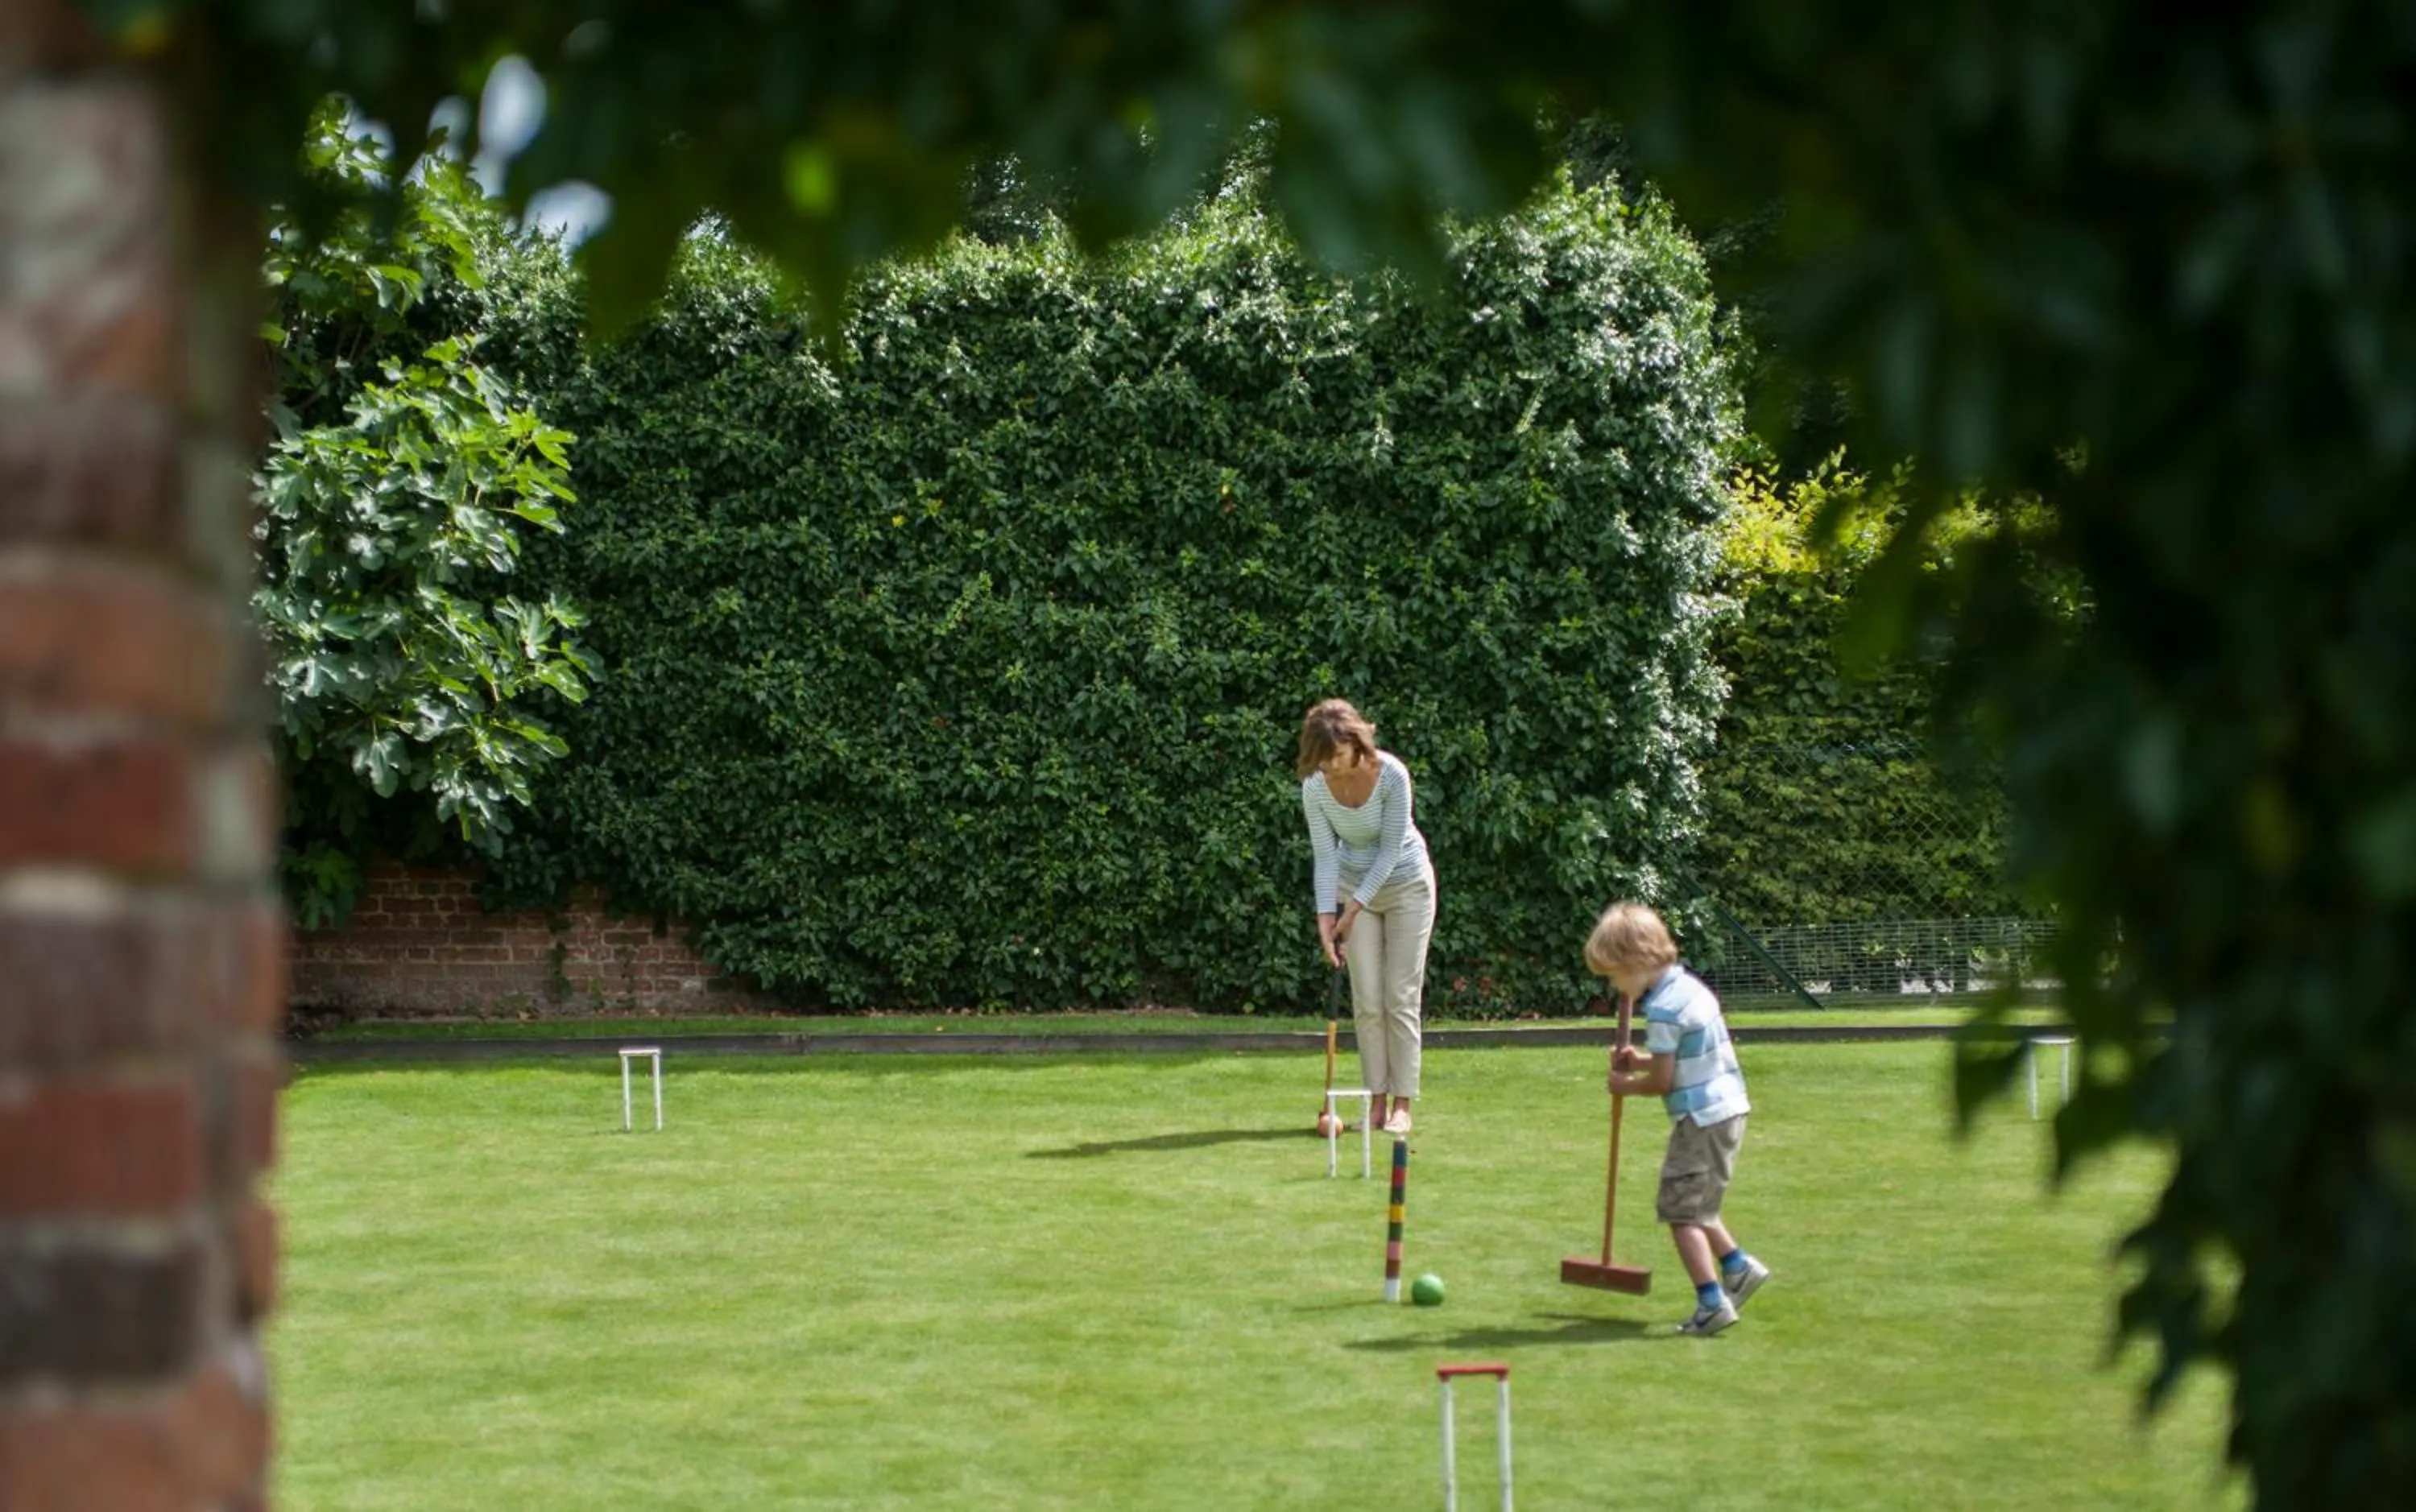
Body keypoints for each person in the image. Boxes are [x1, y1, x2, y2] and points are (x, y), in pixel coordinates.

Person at [1589, 900, 1772, 1335]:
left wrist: (1626, 1084)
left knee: (1680, 1211)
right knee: (1700, 1204)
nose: (1616, 986)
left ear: (1635, 962)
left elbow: (1665, 1082)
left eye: (1614, 975)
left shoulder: (1664, 1010)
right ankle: (1738, 1267)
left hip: (1700, 1118)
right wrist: (1640, 1060)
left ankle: (1712, 1303)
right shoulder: (1690, 989)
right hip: (1727, 1109)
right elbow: (1682, 1060)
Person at [1297, 699, 1436, 1136]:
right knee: (1368, 1001)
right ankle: (1375, 1102)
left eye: (1336, 757)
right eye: (1322, 761)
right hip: (1351, 887)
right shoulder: (1316, 787)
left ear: (1356, 744)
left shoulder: (1391, 775)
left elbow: (1391, 849)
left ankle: (1403, 1104)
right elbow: (1325, 857)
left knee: (1399, 996)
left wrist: (1352, 908)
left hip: (1407, 886)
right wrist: (1326, 916)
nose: (1331, 768)